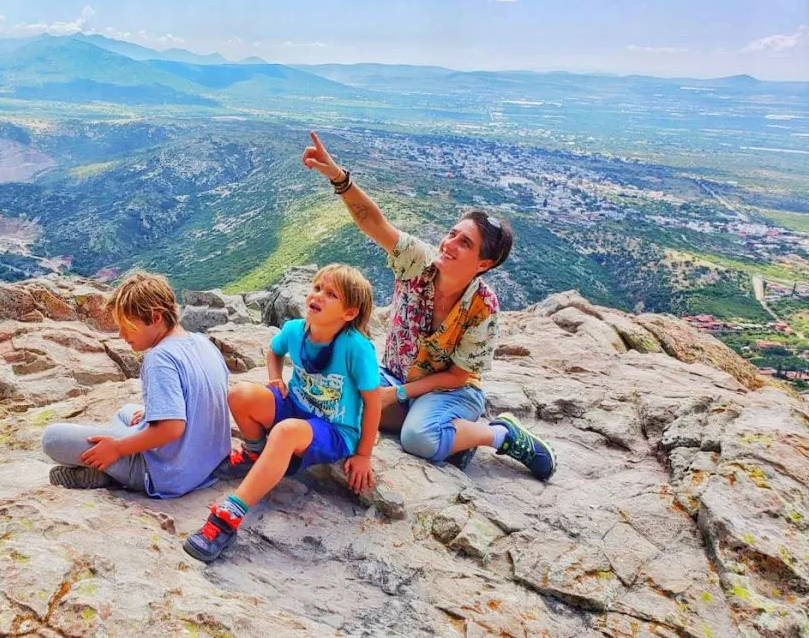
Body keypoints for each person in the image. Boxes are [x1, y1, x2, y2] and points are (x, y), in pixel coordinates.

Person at [301, 131, 556, 481]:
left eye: (464, 243)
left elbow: (457, 376)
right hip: (393, 374)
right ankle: (450, 437)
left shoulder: (482, 306)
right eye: (452, 233)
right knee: (332, 401)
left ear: (483, 263)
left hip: (452, 391)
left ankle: (500, 434)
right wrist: (337, 177)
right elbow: (372, 221)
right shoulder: (418, 262)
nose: (449, 243)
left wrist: (397, 394)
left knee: (416, 437)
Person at [183, 264, 382, 563]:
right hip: (296, 406)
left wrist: (364, 453)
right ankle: (256, 454)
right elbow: (273, 351)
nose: (318, 296)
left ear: (349, 313)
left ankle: (229, 516)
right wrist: (274, 376)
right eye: (317, 288)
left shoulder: (356, 348)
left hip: (335, 429)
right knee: (240, 394)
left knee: (286, 431)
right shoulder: (294, 330)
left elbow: (374, 401)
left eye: (331, 294)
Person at [40, 271, 231, 498]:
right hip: (208, 463)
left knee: (52, 438)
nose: (121, 335)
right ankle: (113, 465)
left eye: (128, 326)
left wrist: (117, 448)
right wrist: (153, 414)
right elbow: (206, 398)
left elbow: (172, 428)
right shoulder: (201, 342)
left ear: (156, 317)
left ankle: (111, 473)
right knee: (126, 413)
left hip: (168, 473)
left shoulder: (160, 358)